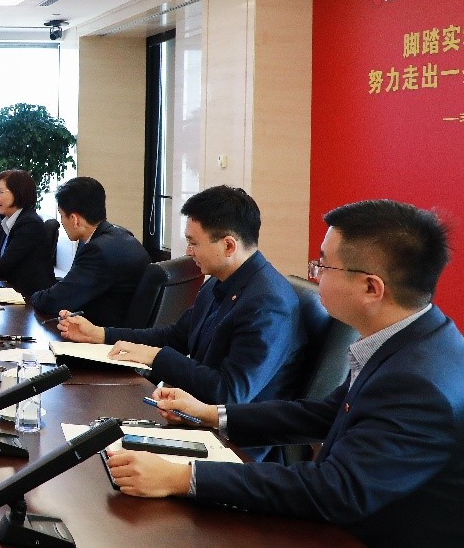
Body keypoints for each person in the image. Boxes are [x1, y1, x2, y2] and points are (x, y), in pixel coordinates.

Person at [107, 199, 464, 548]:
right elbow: (324, 414)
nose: (315, 274)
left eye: (324, 266)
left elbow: (337, 490)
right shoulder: (413, 339)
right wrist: (212, 414)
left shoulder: (418, 383)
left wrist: (182, 477)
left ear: (371, 288)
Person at [58, 185, 306, 459]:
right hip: (196, 419)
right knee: (95, 436)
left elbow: (228, 394)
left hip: (235, 448)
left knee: (106, 457)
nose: (188, 251)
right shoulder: (219, 283)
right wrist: (101, 334)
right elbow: (176, 336)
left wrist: (156, 357)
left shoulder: (269, 303)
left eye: (194, 243)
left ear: (228, 245)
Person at [28, 177, 150, 327]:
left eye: (61, 215)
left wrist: (32, 297)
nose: (61, 221)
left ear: (74, 219)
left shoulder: (98, 251)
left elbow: (54, 300)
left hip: (107, 334)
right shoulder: (118, 235)